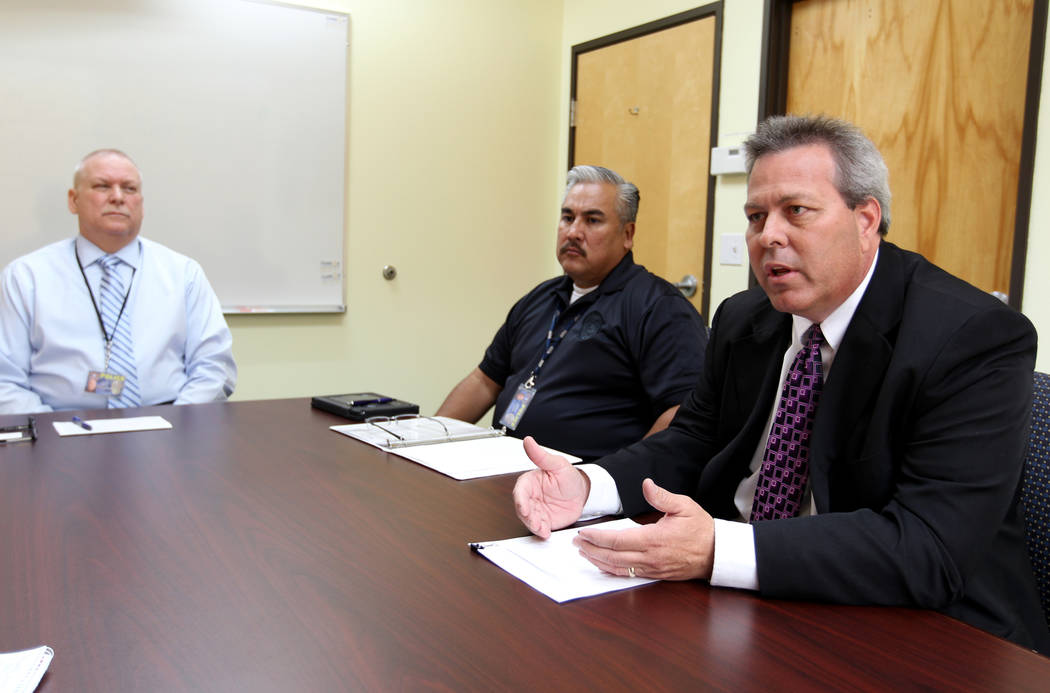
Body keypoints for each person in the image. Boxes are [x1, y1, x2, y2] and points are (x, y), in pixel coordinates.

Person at [511, 115, 1050, 652]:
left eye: (796, 211)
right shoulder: (744, 318)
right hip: (747, 606)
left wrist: (718, 549)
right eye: (755, 216)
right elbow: (693, 440)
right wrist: (589, 487)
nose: (767, 236)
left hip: (926, 633)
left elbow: (930, 546)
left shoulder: (971, 337)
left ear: (866, 219)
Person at [437, 165, 707, 460]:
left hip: (588, 482)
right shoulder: (540, 298)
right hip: (504, 467)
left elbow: (681, 411)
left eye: (592, 220)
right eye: (568, 217)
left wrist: (612, 477)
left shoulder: (658, 306)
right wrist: (428, 440)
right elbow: (484, 382)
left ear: (627, 234)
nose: (574, 232)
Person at [0, 149, 237, 413]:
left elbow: (214, 368)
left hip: (170, 421)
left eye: (129, 188)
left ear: (141, 204)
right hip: (62, 424)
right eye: (102, 186)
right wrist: (50, 430)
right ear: (73, 200)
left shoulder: (183, 274)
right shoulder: (26, 277)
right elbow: (5, 380)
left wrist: (178, 424)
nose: (117, 197)